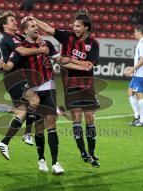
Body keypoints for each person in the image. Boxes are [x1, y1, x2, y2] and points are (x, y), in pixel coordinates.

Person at [0, 17, 92, 174]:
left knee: (52, 126)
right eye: (32, 26)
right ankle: (41, 159)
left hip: (48, 88)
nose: (36, 28)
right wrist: (1, 65)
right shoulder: (21, 48)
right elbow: (9, 66)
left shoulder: (47, 44)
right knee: (39, 128)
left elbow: (61, 60)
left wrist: (81, 66)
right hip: (33, 90)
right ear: (25, 31)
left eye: (36, 26)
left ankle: (55, 163)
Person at [30, 9, 101, 168]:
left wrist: (68, 61)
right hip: (71, 85)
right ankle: (83, 152)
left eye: (78, 26)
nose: (74, 28)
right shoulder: (66, 36)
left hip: (87, 85)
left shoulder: (93, 43)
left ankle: (92, 152)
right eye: (74, 25)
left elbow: (89, 65)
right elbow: (48, 29)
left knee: (90, 119)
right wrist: (33, 18)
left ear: (86, 28)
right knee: (76, 118)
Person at [0, 11, 50, 159]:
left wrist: (34, 27)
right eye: (12, 21)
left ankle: (4, 142)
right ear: (5, 25)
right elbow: (22, 51)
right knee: (35, 101)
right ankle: (27, 134)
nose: (15, 22)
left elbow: (33, 39)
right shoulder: (7, 39)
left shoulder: (17, 37)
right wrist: (41, 50)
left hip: (20, 77)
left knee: (23, 112)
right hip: (14, 78)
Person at [124, 25, 143, 127]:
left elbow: (142, 60)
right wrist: (133, 68)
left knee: (139, 95)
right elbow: (142, 60)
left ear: (140, 32)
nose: (134, 34)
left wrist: (132, 69)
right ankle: (137, 116)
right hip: (139, 73)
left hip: (141, 74)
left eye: (135, 32)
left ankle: (142, 120)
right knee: (130, 91)